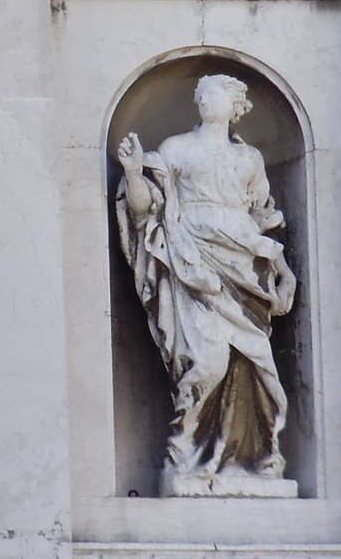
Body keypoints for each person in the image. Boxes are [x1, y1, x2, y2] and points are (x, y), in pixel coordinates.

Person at [115, 72, 298, 495]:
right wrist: (133, 174)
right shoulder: (176, 149)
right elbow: (146, 213)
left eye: (214, 93)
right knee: (207, 362)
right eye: (200, 93)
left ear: (234, 105)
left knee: (258, 366)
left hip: (244, 266)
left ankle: (254, 458)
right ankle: (184, 455)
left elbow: (261, 223)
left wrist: (282, 268)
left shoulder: (250, 158)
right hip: (191, 260)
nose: (204, 99)